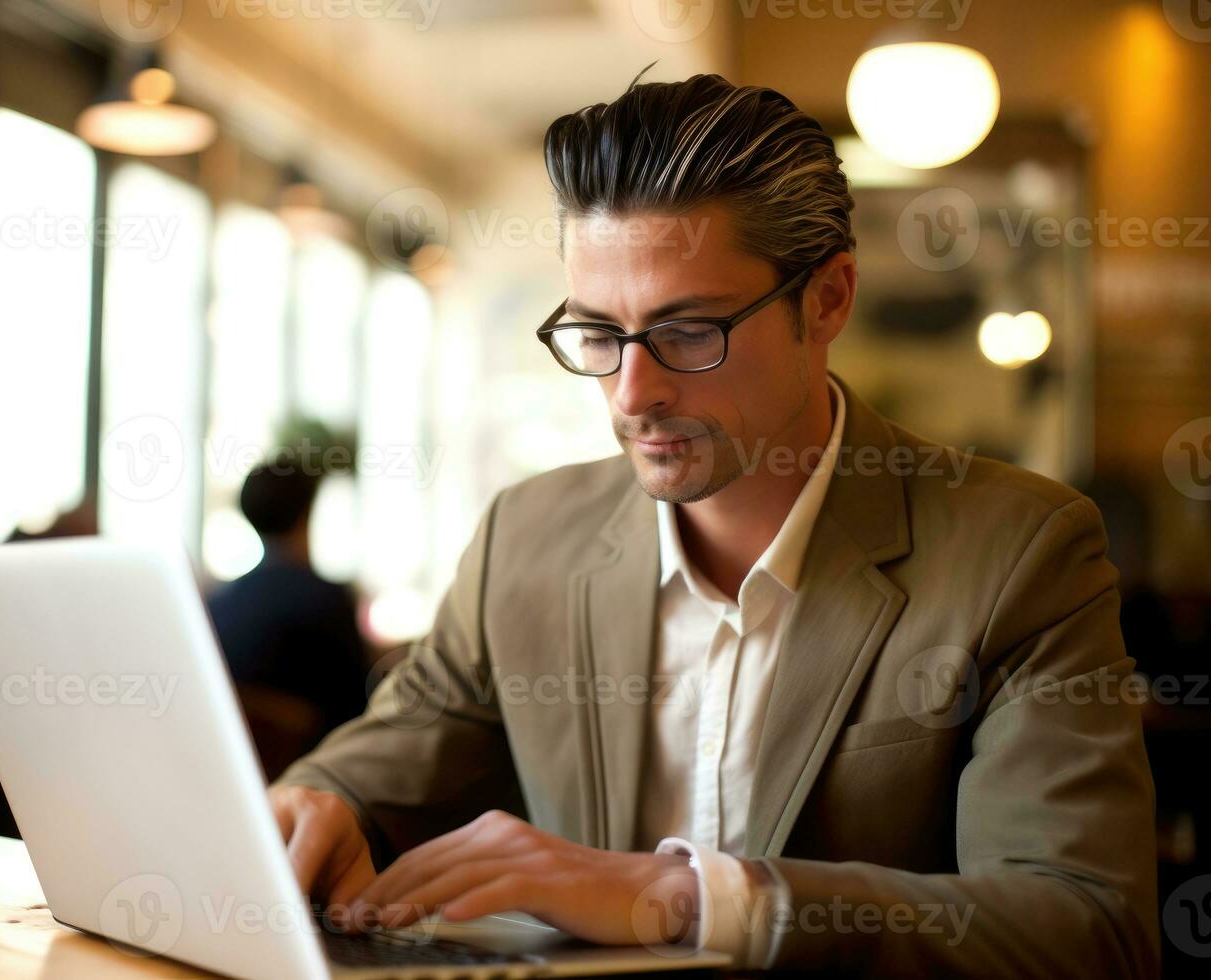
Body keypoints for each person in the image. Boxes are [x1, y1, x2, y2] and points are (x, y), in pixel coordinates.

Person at [268, 73, 1158, 976]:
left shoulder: (1021, 552)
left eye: (688, 332)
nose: (632, 392)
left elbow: (1086, 928)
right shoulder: (526, 538)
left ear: (829, 299)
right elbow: (390, 758)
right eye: (598, 335)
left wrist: (690, 900)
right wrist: (317, 802)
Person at [208, 458, 369, 744]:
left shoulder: (220, 602)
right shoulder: (326, 601)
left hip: (240, 764)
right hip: (314, 770)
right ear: (308, 512)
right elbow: (356, 710)